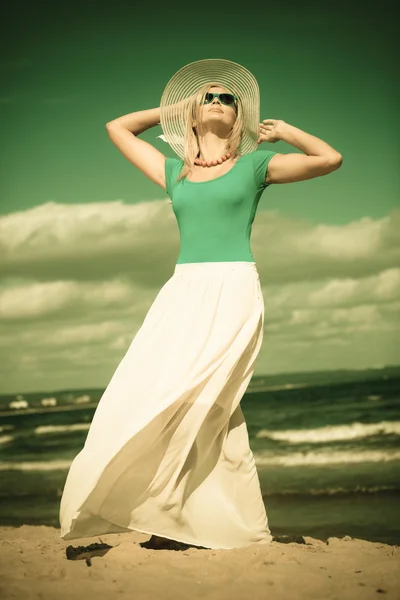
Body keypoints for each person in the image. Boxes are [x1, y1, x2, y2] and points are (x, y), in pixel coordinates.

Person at [59, 59, 342, 552]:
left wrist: (288, 131)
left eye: (227, 98)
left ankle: (182, 520)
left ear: (239, 117)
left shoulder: (257, 166)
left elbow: (330, 159)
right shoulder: (174, 172)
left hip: (232, 289)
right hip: (181, 293)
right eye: (207, 97)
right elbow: (118, 128)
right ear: (192, 115)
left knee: (211, 404)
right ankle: (176, 517)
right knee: (159, 396)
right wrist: (175, 108)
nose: (216, 102)